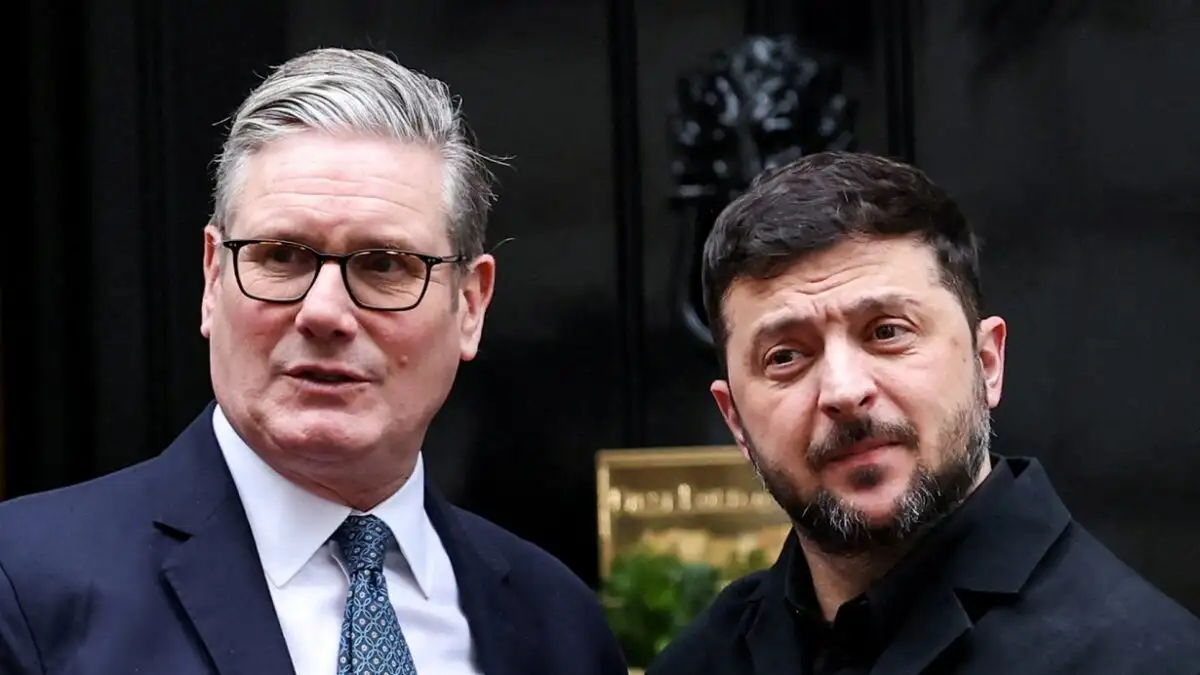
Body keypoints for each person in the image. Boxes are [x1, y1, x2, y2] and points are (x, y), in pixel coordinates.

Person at [0, 47, 627, 675]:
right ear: (212, 280)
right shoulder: (26, 586)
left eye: (385, 265)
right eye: (282, 256)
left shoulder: (558, 625)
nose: (324, 312)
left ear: (469, 305)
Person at [646, 151, 1200, 674]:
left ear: (987, 363)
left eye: (887, 332)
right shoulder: (703, 661)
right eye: (786, 356)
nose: (844, 390)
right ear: (736, 421)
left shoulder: (1145, 657)